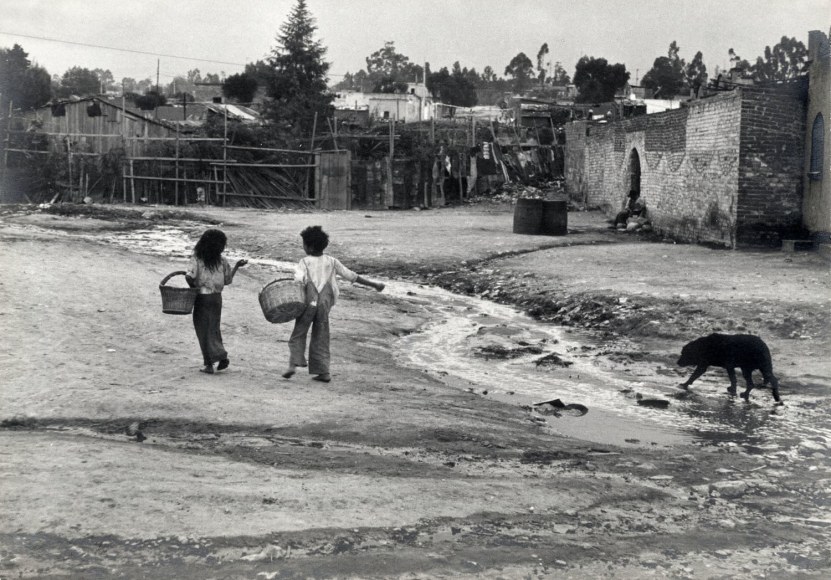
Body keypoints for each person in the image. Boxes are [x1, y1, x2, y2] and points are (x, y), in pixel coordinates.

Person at [283, 225, 385, 383]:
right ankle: (324, 372)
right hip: (324, 304)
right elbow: (351, 276)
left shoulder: (304, 262)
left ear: (308, 247)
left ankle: (292, 365)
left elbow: (298, 281)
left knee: (299, 332)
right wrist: (375, 285)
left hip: (307, 303)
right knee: (321, 335)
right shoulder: (332, 261)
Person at [185, 229, 247, 374]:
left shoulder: (197, 259)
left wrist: (193, 288)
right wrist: (237, 266)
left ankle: (210, 364)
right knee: (213, 328)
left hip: (202, 298)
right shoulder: (222, 261)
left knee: (203, 331)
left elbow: (189, 277)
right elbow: (227, 281)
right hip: (217, 299)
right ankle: (219, 355)